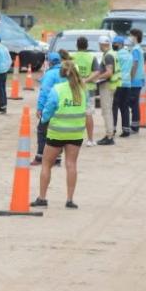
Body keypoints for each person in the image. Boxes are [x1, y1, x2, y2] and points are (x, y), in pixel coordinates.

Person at [31, 60, 86, 210]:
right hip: (76, 132)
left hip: (57, 132)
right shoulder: (82, 90)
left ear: (61, 73)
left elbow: (48, 109)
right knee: (71, 164)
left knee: (46, 164)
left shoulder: (58, 89)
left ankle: (42, 198)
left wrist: (43, 119)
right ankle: (69, 199)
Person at [32, 52, 63, 166]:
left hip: (50, 106)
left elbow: (44, 92)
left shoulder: (49, 74)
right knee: (57, 132)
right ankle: (57, 158)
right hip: (62, 107)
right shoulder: (65, 73)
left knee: (42, 130)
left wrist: (40, 108)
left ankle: (40, 156)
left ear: (49, 62)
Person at [71, 36, 100, 147]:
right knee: (88, 114)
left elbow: (68, 72)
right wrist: (86, 79)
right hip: (89, 89)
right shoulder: (91, 57)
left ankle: (74, 138)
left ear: (76, 45)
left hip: (75, 88)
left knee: (74, 113)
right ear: (87, 45)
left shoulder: (72, 57)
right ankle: (90, 139)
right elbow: (97, 72)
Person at [94, 35, 118, 145]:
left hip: (107, 85)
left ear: (101, 44)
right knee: (108, 110)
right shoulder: (112, 53)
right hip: (111, 85)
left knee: (106, 111)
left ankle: (109, 136)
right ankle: (109, 134)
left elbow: (109, 72)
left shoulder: (108, 56)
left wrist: (97, 78)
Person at [112, 36, 133, 137]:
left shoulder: (116, 55)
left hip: (118, 83)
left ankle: (113, 128)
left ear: (119, 44)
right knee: (125, 107)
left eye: (115, 43)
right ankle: (126, 130)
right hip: (127, 83)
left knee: (114, 106)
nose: (113, 45)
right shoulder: (129, 54)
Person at [127, 28, 145, 133]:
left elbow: (134, 64)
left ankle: (134, 126)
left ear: (135, 37)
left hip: (135, 80)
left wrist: (131, 77)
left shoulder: (136, 50)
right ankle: (135, 125)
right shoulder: (139, 49)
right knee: (134, 103)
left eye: (131, 36)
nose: (130, 38)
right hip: (139, 79)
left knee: (132, 103)